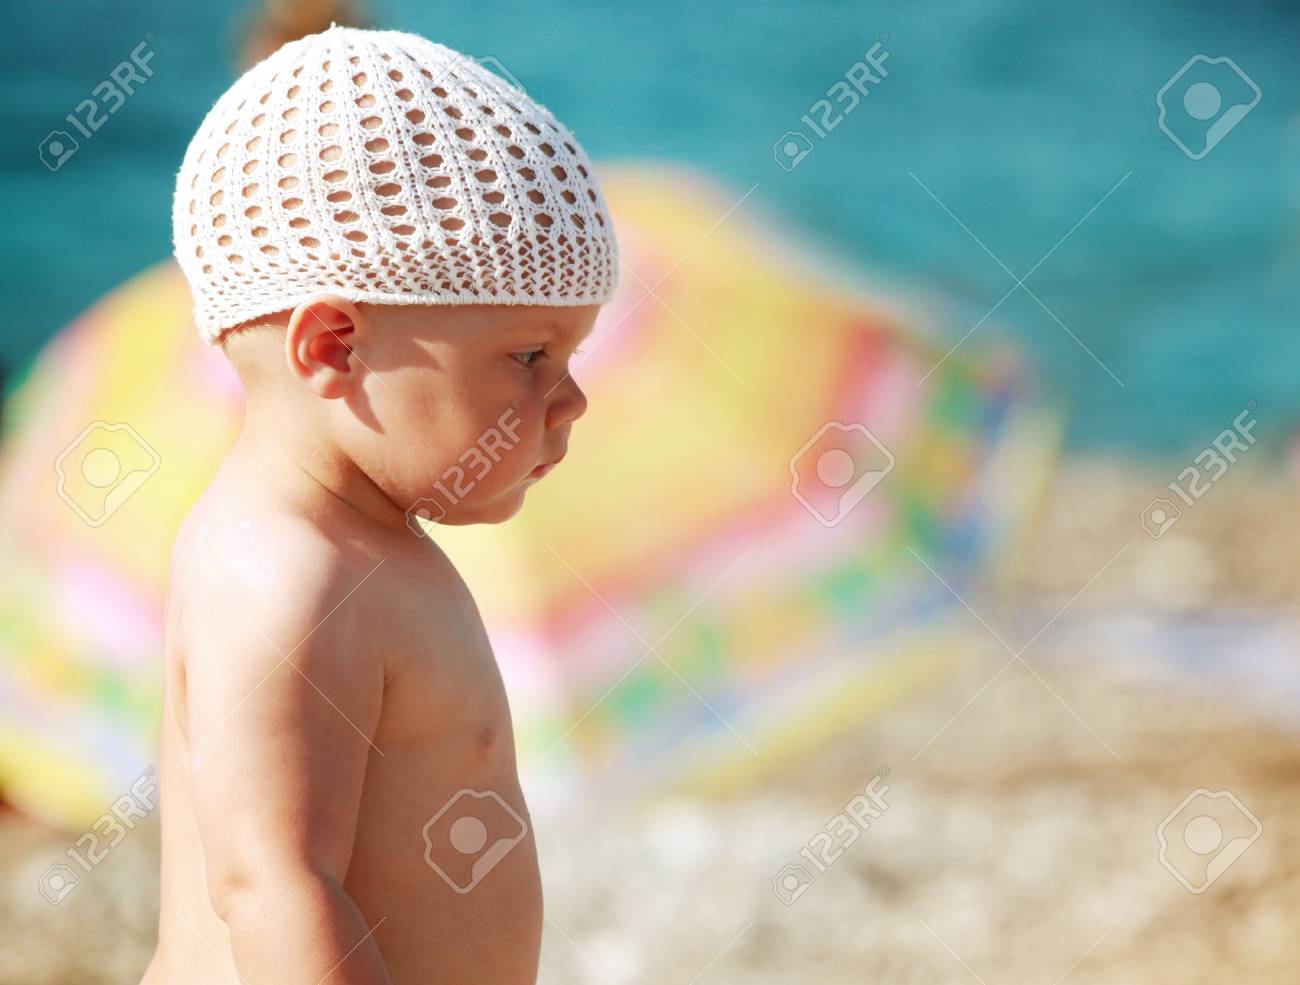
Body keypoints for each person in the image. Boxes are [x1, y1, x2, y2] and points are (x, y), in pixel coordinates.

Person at [142, 25, 617, 984]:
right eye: (530, 355)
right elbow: (274, 885)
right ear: (333, 348)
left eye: (569, 358)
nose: (570, 399)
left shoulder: (361, 545)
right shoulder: (283, 572)